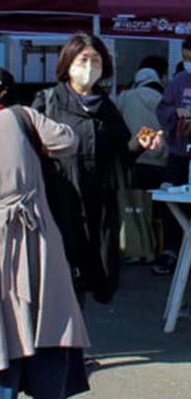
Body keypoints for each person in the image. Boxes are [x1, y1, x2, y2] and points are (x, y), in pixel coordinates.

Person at [33, 34, 163, 306]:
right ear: (68, 63)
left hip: (98, 204)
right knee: (59, 274)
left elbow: (121, 154)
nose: (90, 65)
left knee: (89, 273)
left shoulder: (106, 107)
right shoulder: (48, 102)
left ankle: (75, 342)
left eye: (96, 59)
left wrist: (139, 144)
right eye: (83, 59)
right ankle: (60, 343)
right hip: (57, 201)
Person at [0, 97, 90, 399]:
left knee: (5, 328)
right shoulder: (22, 116)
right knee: (48, 319)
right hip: (36, 230)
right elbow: (68, 139)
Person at [154, 32, 191, 275]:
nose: (188, 63)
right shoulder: (179, 80)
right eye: (185, 58)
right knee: (174, 202)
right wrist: (176, 114)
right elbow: (163, 108)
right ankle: (171, 250)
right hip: (179, 152)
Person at [115, 66, 168, 263]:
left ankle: (138, 249)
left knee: (136, 207)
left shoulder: (127, 97)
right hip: (161, 161)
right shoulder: (163, 100)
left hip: (137, 158)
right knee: (159, 211)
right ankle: (158, 248)